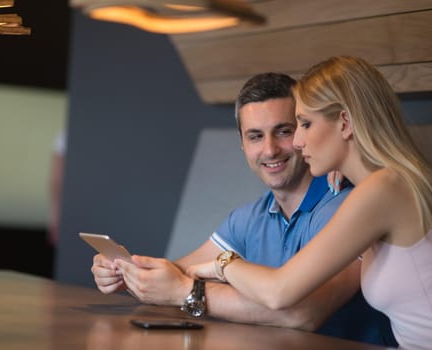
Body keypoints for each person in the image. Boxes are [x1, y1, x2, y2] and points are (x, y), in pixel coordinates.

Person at [93, 73, 395, 346]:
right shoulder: (249, 217)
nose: (270, 150)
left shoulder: (344, 203)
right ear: (241, 144)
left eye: (284, 130)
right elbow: (177, 272)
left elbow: (302, 313)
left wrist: (186, 292)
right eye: (255, 136)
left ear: (304, 133)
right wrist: (126, 273)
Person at [187, 56, 432, 350]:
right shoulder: (383, 185)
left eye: (303, 124)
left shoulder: (382, 189)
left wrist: (221, 265)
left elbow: (279, 292)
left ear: (344, 123)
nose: (298, 142)